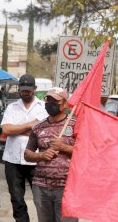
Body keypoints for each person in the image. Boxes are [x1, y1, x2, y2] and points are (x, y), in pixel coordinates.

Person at [24, 87, 78, 222]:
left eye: (55, 102)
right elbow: (27, 154)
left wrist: (64, 147)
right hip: (41, 187)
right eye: (48, 101)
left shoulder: (76, 125)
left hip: (66, 187)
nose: (51, 105)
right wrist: (41, 155)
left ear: (65, 104)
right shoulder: (38, 127)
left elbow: (86, 152)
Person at [1, 74, 48, 222]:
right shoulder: (11, 107)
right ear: (19, 89)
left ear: (34, 89)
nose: (25, 92)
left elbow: (42, 132)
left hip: (35, 160)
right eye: (23, 89)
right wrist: (30, 125)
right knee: (16, 198)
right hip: (13, 160)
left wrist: (17, 129)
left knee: (40, 198)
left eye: (28, 90)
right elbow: (7, 130)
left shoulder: (43, 107)